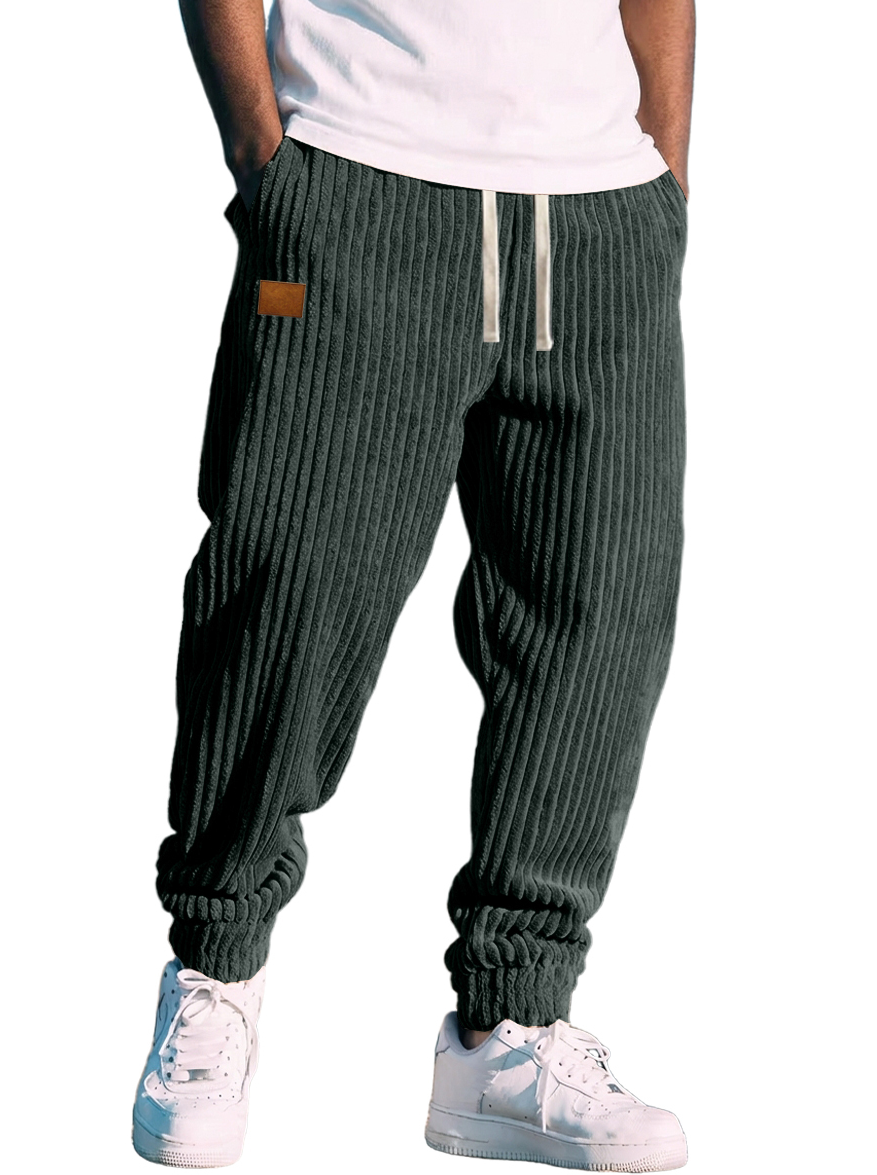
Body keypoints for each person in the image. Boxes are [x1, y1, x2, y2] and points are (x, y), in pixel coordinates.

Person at [131, 0, 695, 1168]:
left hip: (600, 213)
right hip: (355, 183)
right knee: (289, 583)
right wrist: (263, 158)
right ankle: (216, 965)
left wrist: (666, 183)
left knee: (601, 617)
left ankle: (511, 1022)